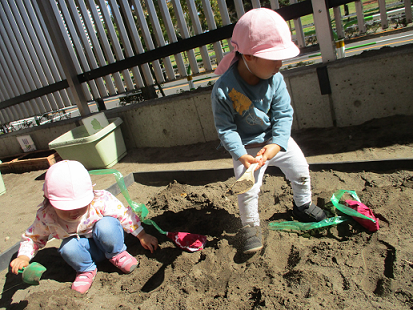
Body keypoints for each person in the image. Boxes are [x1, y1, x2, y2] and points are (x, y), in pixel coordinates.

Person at [211, 8, 327, 254]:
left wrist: (276, 145)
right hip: (246, 147)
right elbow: (226, 128)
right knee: (247, 188)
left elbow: (284, 114)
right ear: (249, 56)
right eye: (274, 57)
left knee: (300, 169)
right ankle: (250, 226)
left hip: (274, 139)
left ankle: (302, 206)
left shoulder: (275, 79)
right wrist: (241, 155)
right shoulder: (223, 89)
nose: (280, 63)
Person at [10, 160, 158, 294]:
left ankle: (117, 254)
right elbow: (33, 237)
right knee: (68, 247)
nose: (74, 212)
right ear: (50, 201)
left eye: (80, 205)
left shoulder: (99, 201)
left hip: (108, 240)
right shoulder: (47, 216)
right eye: (66, 208)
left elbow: (123, 215)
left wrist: (142, 235)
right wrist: (23, 257)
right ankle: (86, 270)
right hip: (86, 250)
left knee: (107, 225)